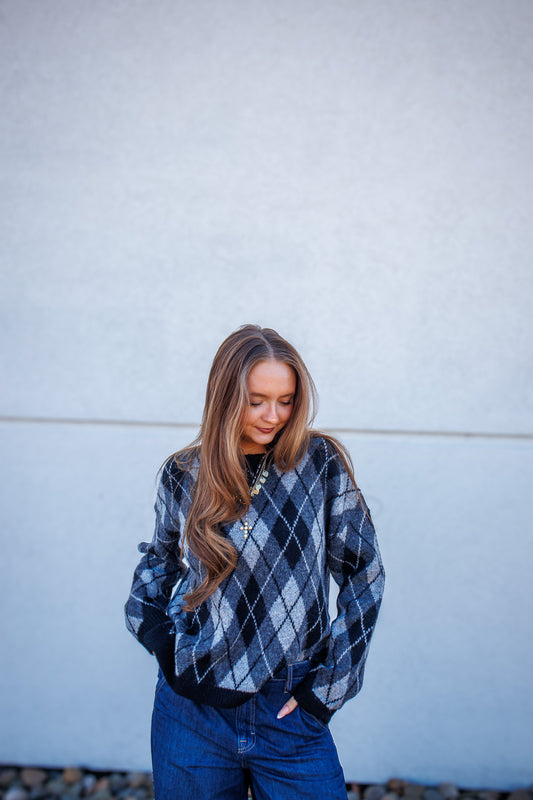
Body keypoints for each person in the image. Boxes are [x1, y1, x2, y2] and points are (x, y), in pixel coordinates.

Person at [125, 324, 385, 800]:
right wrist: (164, 647)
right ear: (224, 395)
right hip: (191, 712)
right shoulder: (184, 473)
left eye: (286, 400)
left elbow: (364, 575)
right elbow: (157, 565)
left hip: (288, 709)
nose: (273, 415)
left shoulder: (320, 464)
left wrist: (324, 693)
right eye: (256, 399)